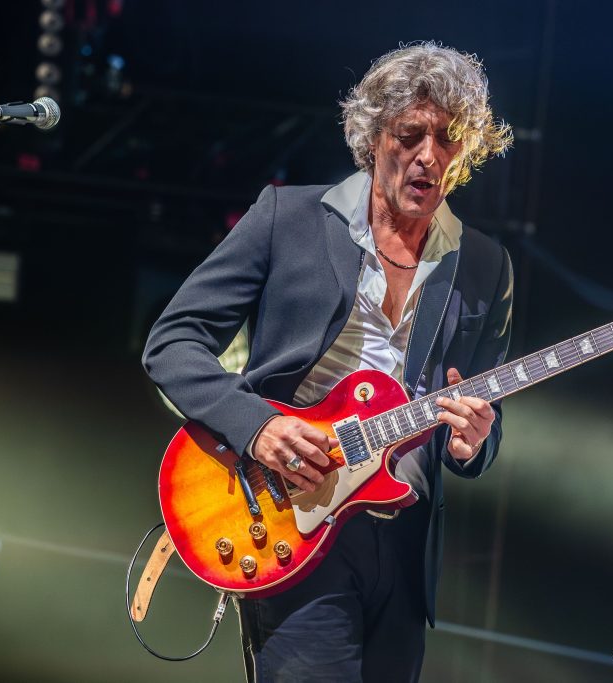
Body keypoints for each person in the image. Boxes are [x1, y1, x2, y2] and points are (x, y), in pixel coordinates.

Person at [142, 41, 513, 682]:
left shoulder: (486, 265)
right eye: (410, 135)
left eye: (448, 138)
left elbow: (485, 422)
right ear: (373, 138)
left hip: (405, 541)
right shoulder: (287, 218)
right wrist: (258, 425)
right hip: (293, 512)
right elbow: (172, 342)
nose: (429, 155)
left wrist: (473, 441)